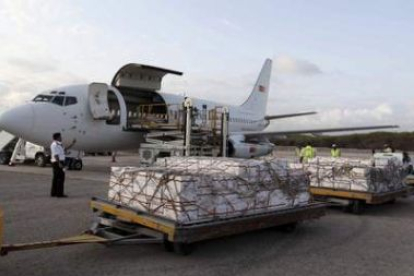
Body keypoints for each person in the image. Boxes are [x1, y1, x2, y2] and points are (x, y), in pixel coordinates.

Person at [50, 133, 76, 198]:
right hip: (57, 162)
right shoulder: (54, 145)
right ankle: (59, 194)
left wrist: (72, 143)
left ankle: (54, 193)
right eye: (60, 137)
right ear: (57, 137)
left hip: (59, 161)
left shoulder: (59, 144)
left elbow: (65, 149)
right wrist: (59, 163)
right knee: (60, 178)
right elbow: (56, 155)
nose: (61, 138)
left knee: (56, 178)